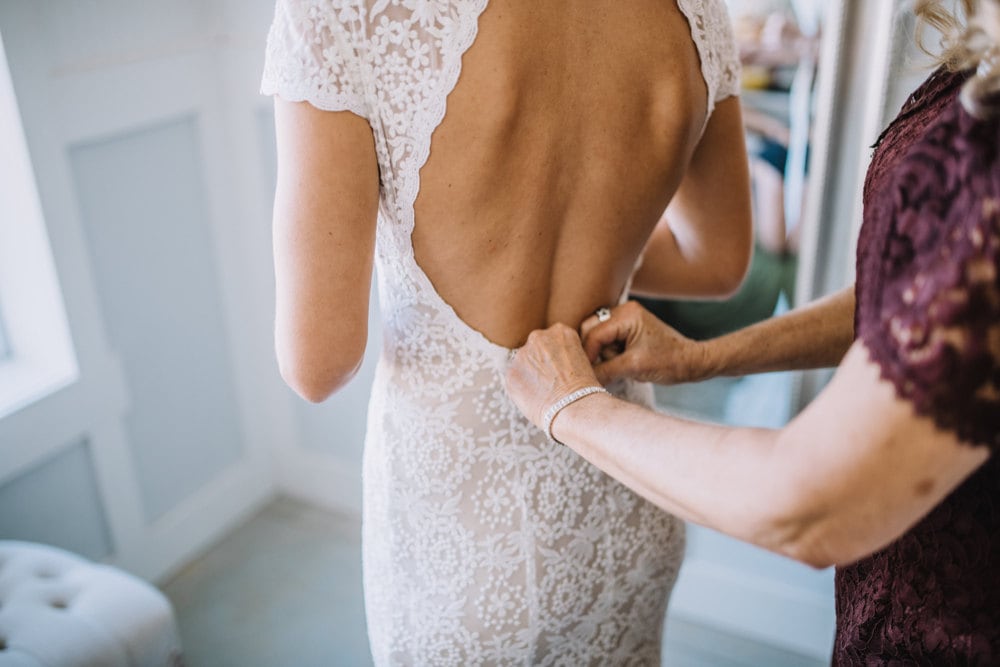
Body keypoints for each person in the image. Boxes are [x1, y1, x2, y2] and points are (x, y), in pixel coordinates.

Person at [505, 0, 1000, 663]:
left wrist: (572, 406)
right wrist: (702, 357)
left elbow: (808, 505)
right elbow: (919, 302)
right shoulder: (979, 67)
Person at [260, 0, 752, 663]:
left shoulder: (346, 11)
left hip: (461, 552)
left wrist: (425, 232)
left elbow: (317, 363)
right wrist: (600, 232)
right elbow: (715, 260)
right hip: (626, 505)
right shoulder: (697, 10)